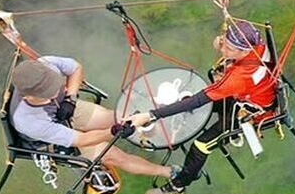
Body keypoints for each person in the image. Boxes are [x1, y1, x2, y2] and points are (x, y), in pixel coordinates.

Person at [131, 19, 276, 194]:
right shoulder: (257, 44)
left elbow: (199, 99)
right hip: (249, 95)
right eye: (225, 42)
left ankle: (178, 188)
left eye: (230, 48)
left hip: (247, 113)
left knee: (201, 145)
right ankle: (171, 122)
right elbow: (229, 37)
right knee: (191, 105)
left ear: (244, 51)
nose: (223, 49)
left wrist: (151, 115)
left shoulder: (239, 77)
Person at [11, 56, 176, 179]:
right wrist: (112, 132)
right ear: (26, 96)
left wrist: (70, 98)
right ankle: (169, 172)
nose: (55, 91)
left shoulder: (45, 65)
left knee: (118, 117)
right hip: (51, 139)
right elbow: (81, 140)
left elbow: (75, 68)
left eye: (54, 85)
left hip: (65, 108)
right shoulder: (28, 121)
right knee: (115, 155)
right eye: (47, 93)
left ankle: (156, 134)